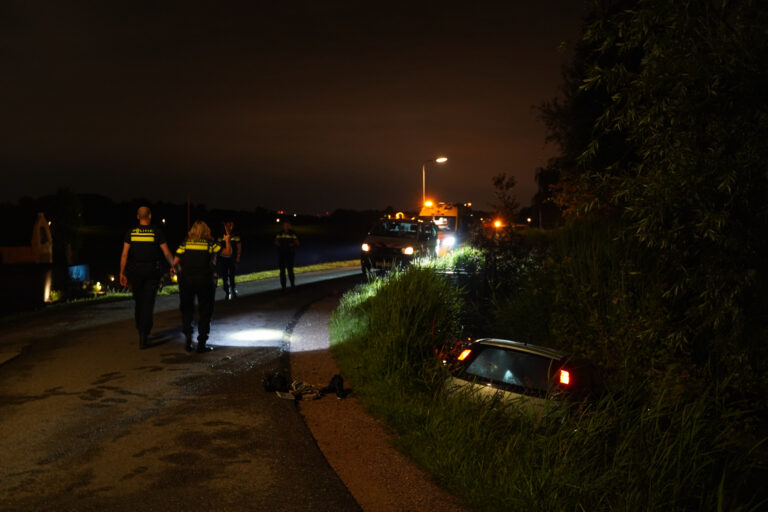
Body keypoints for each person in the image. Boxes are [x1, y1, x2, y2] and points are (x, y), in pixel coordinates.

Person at [119, 206, 174, 349]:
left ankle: (140, 329)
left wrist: (122, 272)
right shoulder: (157, 233)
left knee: (139, 302)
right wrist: (175, 266)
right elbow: (166, 253)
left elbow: (124, 254)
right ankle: (144, 333)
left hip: (135, 272)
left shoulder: (130, 233)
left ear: (138, 216)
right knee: (148, 304)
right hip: (151, 272)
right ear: (149, 216)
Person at [173, 220, 231, 352]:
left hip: (186, 281)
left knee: (187, 310)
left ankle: (188, 339)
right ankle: (201, 343)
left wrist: (178, 270)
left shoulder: (185, 243)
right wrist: (227, 240)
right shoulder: (210, 244)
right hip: (204, 281)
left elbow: (175, 261)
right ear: (206, 231)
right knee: (205, 311)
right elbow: (227, 253)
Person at [217, 220, 242, 299]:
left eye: (230, 225)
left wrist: (238, 256)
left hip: (232, 258)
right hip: (223, 258)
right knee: (224, 275)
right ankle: (227, 291)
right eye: (227, 225)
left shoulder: (235, 235)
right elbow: (218, 246)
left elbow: (239, 246)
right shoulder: (221, 235)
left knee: (232, 274)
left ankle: (233, 288)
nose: (229, 226)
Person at [274, 221, 299, 290]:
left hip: (290, 254)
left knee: (290, 270)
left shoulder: (292, 233)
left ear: (289, 226)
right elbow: (275, 241)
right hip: (281, 254)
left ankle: (292, 285)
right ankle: (283, 287)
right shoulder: (280, 233)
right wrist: (280, 245)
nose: (285, 226)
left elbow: (297, 243)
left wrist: (292, 245)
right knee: (282, 271)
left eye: (287, 225)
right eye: (284, 225)